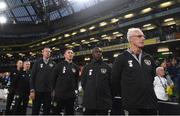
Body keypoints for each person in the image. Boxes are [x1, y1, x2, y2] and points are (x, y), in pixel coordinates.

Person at [111, 28, 157, 115]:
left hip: (151, 104)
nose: (143, 38)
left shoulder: (149, 57)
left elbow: (151, 77)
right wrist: (126, 96)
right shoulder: (121, 58)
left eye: (143, 36)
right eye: (139, 36)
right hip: (132, 105)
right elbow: (114, 80)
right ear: (131, 39)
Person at [81, 47, 112, 115]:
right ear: (92, 54)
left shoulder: (108, 67)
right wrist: (90, 91)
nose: (98, 53)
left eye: (100, 52)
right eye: (96, 52)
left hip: (103, 102)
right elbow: (83, 83)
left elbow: (111, 83)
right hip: (89, 101)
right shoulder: (87, 67)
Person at [51, 48, 79, 115]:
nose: (70, 54)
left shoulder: (75, 67)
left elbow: (76, 80)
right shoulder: (59, 65)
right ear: (64, 55)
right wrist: (53, 91)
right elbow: (53, 79)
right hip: (59, 95)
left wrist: (76, 90)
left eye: (72, 53)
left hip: (70, 96)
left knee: (70, 113)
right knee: (56, 112)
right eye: (68, 53)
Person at [30, 47, 56, 115]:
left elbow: (55, 78)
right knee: (35, 110)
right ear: (42, 52)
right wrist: (32, 90)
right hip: (37, 91)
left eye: (49, 52)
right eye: (46, 51)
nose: (48, 53)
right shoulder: (37, 63)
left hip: (48, 92)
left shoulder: (53, 64)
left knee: (46, 111)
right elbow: (32, 77)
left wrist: (53, 90)